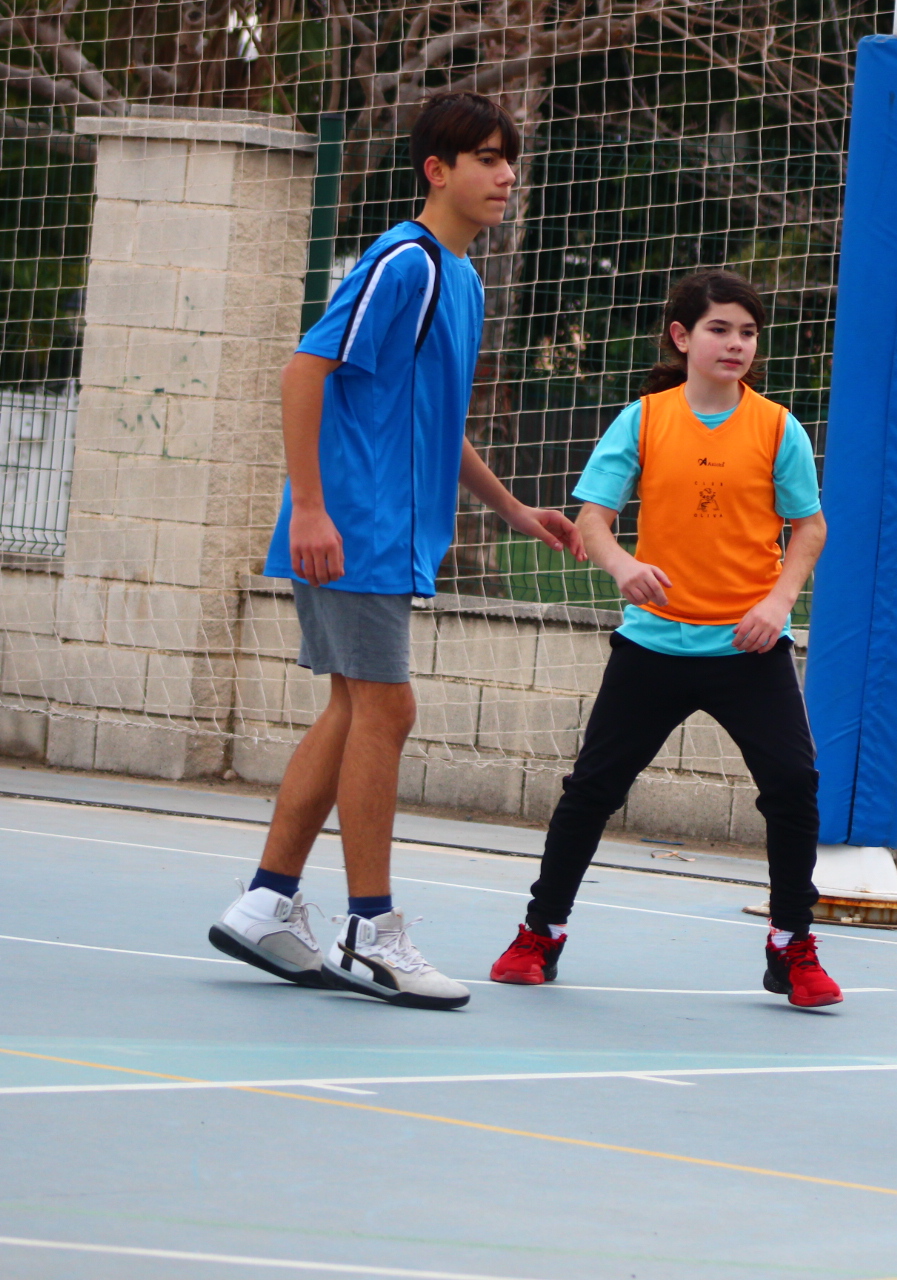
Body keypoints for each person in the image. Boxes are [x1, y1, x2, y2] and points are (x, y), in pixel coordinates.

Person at [209, 93, 583, 1010]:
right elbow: (305, 370)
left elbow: (435, 423)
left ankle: (267, 903)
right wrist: (310, 509)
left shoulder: (463, 280)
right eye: (486, 158)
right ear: (437, 171)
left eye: (509, 159)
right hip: (352, 530)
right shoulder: (404, 263)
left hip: (383, 535)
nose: (505, 175)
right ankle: (371, 931)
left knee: (353, 711)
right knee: (388, 708)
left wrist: (512, 509)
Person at [486, 269, 842, 1008]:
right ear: (682, 337)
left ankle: (791, 946)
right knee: (592, 790)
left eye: (748, 332)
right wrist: (622, 566)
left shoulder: (778, 428)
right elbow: (593, 518)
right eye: (720, 329)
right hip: (653, 647)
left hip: (747, 648)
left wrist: (779, 602)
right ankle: (540, 933)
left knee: (794, 788)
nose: (736, 344)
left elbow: (809, 528)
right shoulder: (644, 420)